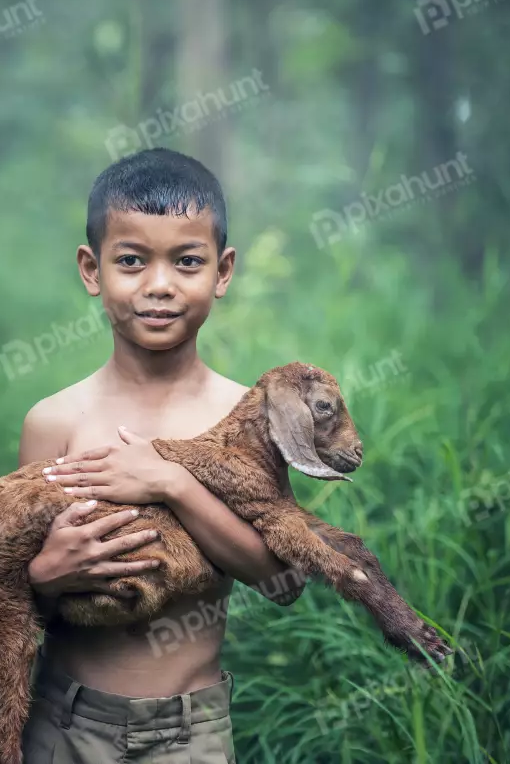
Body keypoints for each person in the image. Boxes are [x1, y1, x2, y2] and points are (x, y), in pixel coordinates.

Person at [17, 148, 303, 762]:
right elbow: (8, 600)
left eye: (187, 261)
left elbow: (282, 579)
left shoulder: (247, 420)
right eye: (131, 261)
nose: (159, 286)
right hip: (63, 723)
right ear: (92, 270)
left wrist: (174, 483)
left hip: (190, 733)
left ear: (222, 272)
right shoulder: (55, 421)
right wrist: (46, 577)